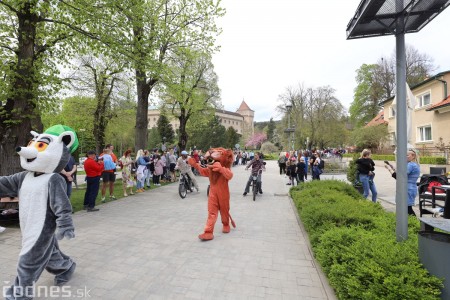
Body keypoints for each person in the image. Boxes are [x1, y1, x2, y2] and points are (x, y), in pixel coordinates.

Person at [385, 149, 421, 216]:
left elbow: (400, 177)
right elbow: (401, 173)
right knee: (406, 209)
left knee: (407, 209)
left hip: (407, 189)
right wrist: (391, 166)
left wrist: (389, 169)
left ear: (413, 156)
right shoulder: (412, 164)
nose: (405, 156)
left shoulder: (411, 165)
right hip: (409, 188)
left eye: (407, 155)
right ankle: (411, 223)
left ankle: (414, 223)